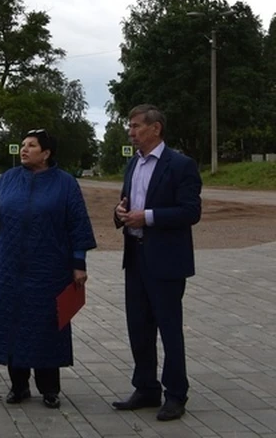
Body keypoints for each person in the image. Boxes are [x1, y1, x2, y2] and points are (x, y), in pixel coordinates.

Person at [0, 129, 96, 409]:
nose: (24, 150)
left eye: (31, 146)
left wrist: (79, 264)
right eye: (23, 145)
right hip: (9, 268)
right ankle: (18, 386)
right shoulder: (8, 179)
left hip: (49, 269)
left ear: (47, 153)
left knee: (47, 326)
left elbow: (78, 225)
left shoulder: (65, 184)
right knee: (12, 325)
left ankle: (49, 389)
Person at [112, 104, 201, 422]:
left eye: (136, 127)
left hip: (166, 261)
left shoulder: (180, 165)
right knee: (139, 326)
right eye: (130, 127)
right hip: (135, 256)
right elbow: (126, 204)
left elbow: (191, 212)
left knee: (169, 328)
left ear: (155, 129)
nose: (131, 132)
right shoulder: (132, 165)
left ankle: (175, 394)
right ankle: (146, 387)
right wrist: (120, 214)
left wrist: (146, 217)